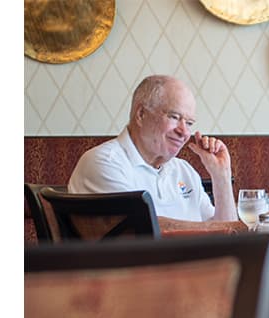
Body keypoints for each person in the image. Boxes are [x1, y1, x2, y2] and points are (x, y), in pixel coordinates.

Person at [67, 74, 243, 232]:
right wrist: (233, 228)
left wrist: (221, 176)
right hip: (134, 268)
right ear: (141, 114)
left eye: (189, 123)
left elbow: (227, 237)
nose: (184, 132)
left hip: (191, 266)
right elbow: (141, 229)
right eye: (174, 117)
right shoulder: (104, 162)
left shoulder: (184, 170)